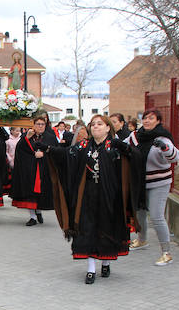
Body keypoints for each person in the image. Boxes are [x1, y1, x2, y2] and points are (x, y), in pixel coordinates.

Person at [47, 115, 132, 283]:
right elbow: (67, 155)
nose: (95, 127)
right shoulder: (84, 145)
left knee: (106, 229)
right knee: (87, 229)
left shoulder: (114, 146)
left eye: (100, 124)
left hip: (110, 197)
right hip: (86, 196)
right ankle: (91, 269)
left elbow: (134, 159)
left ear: (108, 128)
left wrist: (124, 148)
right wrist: (49, 149)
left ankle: (106, 262)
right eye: (93, 124)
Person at [124, 108, 179, 266]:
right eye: (145, 118)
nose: (147, 121)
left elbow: (175, 157)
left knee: (156, 216)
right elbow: (123, 148)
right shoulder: (135, 136)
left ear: (158, 120)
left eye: (151, 118)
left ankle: (166, 252)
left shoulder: (163, 137)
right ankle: (142, 240)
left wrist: (164, 147)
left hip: (159, 183)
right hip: (140, 182)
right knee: (140, 212)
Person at [10, 115, 54, 226]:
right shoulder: (27, 135)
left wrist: (43, 154)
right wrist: (27, 139)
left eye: (42, 124)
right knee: (30, 193)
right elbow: (20, 150)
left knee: (41, 193)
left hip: (44, 169)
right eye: (38, 124)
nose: (40, 126)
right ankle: (32, 217)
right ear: (33, 125)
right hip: (30, 169)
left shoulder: (50, 136)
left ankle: (38, 211)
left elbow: (56, 151)